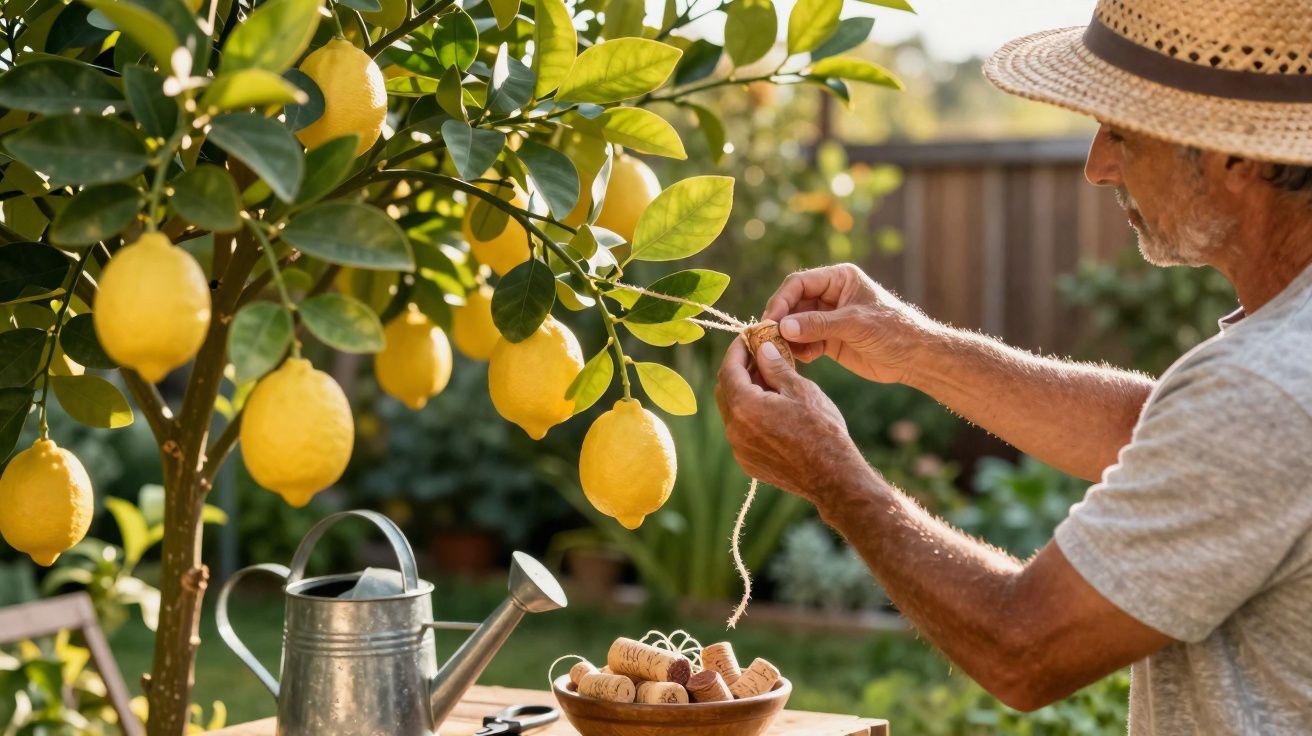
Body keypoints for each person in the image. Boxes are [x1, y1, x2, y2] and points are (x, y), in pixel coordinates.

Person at [715, 0, 1312, 733]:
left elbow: (1024, 646)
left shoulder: (1265, 388)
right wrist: (914, 345)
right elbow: (1165, 432)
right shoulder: (1279, 359)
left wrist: (831, 474)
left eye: (1120, 131)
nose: (1097, 166)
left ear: (1236, 156)